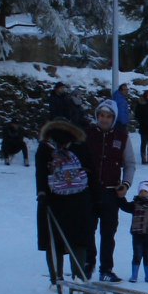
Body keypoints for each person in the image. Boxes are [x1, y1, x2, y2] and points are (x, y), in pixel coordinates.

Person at [36, 118, 98, 285]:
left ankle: (71, 276)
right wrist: (42, 193)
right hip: (64, 199)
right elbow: (41, 172)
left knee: (69, 239)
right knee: (63, 239)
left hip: (66, 199)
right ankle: (63, 277)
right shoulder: (49, 148)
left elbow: (41, 173)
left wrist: (42, 193)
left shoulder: (50, 147)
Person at [89, 100, 137, 280]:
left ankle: (106, 269)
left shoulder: (122, 137)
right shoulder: (87, 134)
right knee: (88, 230)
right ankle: (88, 264)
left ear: (113, 118)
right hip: (89, 192)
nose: (104, 119)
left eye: (108, 116)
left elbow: (130, 164)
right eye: (102, 115)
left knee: (108, 233)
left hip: (111, 193)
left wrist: (126, 184)